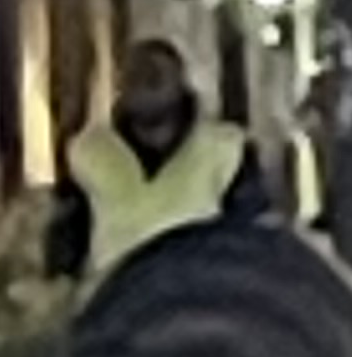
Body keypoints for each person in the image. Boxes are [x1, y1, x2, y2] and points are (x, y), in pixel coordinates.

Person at [46, 38, 272, 286]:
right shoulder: (87, 152)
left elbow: (252, 241)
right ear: (120, 85)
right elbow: (68, 238)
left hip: (202, 302)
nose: (144, 84)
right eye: (135, 76)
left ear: (181, 83)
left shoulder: (227, 150)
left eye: (155, 77)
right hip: (115, 305)